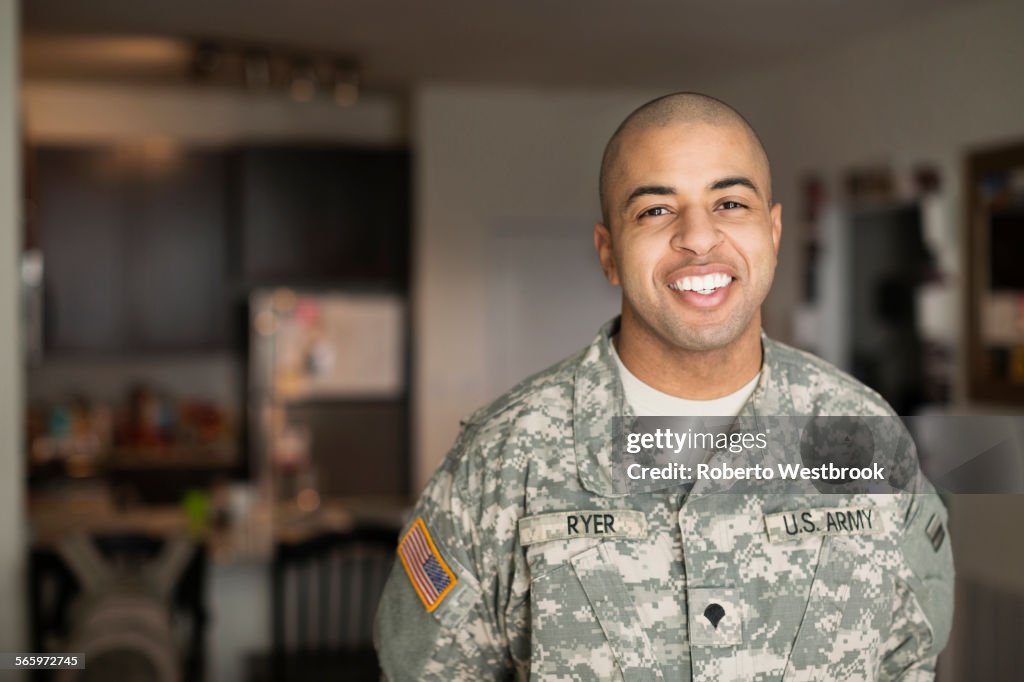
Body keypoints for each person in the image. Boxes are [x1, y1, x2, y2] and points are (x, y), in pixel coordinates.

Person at [374, 93, 954, 681]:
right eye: (655, 211)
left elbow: (911, 658)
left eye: (729, 202)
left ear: (774, 233)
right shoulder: (500, 461)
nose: (698, 238)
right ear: (609, 254)